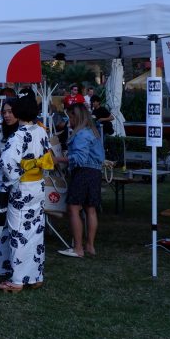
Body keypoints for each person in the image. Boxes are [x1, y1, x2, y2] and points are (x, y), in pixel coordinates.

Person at [0, 95, 54, 292]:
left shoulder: (18, 136)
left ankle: (17, 279)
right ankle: (35, 275)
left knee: (19, 231)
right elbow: (47, 155)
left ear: (18, 113)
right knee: (35, 231)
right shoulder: (41, 131)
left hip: (22, 189)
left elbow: (8, 165)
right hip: (37, 187)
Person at [59, 104, 105, 258]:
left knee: (73, 209)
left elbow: (79, 158)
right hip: (95, 173)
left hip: (83, 173)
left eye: (70, 116)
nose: (68, 120)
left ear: (76, 116)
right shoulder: (93, 132)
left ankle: (78, 248)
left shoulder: (81, 134)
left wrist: (56, 159)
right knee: (90, 209)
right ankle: (90, 246)